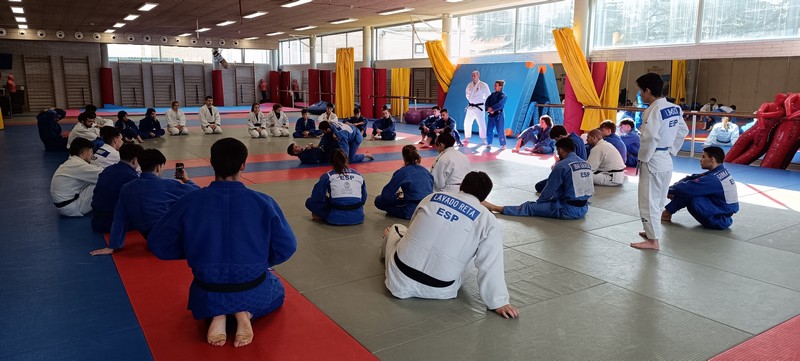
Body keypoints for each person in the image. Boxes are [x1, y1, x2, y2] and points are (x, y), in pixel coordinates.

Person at [146, 138, 297, 348]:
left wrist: (194, 250)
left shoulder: (190, 201)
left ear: (211, 162)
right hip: (251, 285)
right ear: (243, 164)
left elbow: (158, 243)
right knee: (276, 288)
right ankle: (244, 312)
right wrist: (262, 261)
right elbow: (287, 247)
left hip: (207, 289)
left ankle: (218, 314)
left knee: (216, 293)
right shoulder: (263, 202)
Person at [381, 171, 519, 319]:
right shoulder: (487, 219)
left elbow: (413, 224)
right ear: (484, 197)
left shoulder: (432, 197)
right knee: (476, 254)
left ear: (461, 185)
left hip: (398, 277)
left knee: (398, 229)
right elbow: (491, 263)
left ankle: (389, 238)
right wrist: (499, 302)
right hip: (440, 289)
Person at [90, 148, 200, 254]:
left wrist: (113, 245)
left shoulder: (127, 188)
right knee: (192, 204)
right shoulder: (169, 185)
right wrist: (187, 180)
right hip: (173, 240)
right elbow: (198, 192)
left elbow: (120, 218)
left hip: (152, 240)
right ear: (158, 167)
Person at [631, 73, 690, 251]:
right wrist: (671, 149)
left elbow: (649, 137)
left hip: (653, 159)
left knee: (647, 200)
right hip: (665, 159)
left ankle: (653, 240)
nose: (640, 95)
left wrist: (643, 158)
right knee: (657, 200)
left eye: (641, 91)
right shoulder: (674, 108)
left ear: (648, 90)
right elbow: (683, 130)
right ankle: (652, 231)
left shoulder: (653, 110)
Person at [483, 138, 593, 220]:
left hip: (567, 210)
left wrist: (540, 204)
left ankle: (496, 208)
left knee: (529, 207)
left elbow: (549, 190)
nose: (558, 154)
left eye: (558, 151)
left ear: (561, 150)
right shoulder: (586, 164)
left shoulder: (562, 165)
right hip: (584, 209)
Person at [661, 146, 739, 230]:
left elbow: (687, 188)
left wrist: (666, 191)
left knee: (690, 192)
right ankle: (667, 213)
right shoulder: (720, 172)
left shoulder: (713, 179)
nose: (701, 160)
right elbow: (692, 178)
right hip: (722, 213)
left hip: (718, 219)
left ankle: (667, 213)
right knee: (690, 188)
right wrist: (672, 189)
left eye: (703, 157)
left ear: (712, 159)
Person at [305, 149, 368, 225]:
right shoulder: (358, 175)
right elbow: (363, 199)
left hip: (335, 217)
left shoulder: (328, 176)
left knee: (309, 202)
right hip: (358, 217)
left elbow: (316, 197)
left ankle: (323, 216)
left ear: (331, 161)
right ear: (346, 159)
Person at [90, 143, 142, 233]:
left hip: (96, 220)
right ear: (134, 160)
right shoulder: (131, 177)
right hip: (112, 224)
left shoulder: (108, 169)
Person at [374, 145, 434, 219]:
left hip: (411, 210)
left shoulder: (402, 172)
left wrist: (397, 195)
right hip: (428, 207)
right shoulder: (425, 170)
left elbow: (386, 195)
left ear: (404, 157)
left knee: (379, 200)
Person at [50, 138, 103, 217]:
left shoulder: (71, 162)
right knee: (103, 182)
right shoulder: (78, 165)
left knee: (93, 180)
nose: (92, 155)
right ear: (84, 154)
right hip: (72, 207)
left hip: (64, 205)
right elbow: (103, 174)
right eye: (91, 152)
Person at [533, 125, 587, 193]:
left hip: (573, 175)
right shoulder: (578, 138)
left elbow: (569, 163)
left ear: (560, 136)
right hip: (581, 172)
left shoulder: (569, 142)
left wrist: (557, 165)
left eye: (556, 140)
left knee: (539, 186)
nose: (557, 142)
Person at [463, 70, 491, 145]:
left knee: (481, 123)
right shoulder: (469, 85)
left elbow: (488, 95)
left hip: (479, 107)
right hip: (471, 106)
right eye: (472, 75)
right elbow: (467, 95)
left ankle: (483, 139)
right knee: (467, 123)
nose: (473, 77)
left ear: (478, 76)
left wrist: (484, 103)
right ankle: (467, 137)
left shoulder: (483, 85)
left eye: (474, 75)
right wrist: (471, 101)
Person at [484, 80, 508, 150]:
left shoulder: (503, 95)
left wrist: (493, 109)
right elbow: (486, 103)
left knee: (500, 130)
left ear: (500, 87)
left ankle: (503, 144)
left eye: (496, 85)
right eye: (494, 85)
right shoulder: (492, 95)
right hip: (491, 115)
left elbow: (500, 104)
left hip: (499, 115)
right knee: (489, 129)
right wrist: (488, 108)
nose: (494, 87)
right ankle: (489, 143)